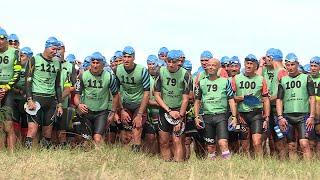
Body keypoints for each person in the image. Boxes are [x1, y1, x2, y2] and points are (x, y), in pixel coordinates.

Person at [194, 58, 237, 160]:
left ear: (218, 67)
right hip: (207, 116)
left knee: (223, 143)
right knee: (210, 146)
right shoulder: (201, 83)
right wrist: (196, 117)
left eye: (213, 65)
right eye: (209, 65)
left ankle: (228, 167)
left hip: (221, 115)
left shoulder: (225, 81)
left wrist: (234, 117)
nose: (211, 67)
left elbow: (231, 100)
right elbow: (197, 101)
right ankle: (211, 168)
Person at [24, 37, 63, 149]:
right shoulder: (34, 59)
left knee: (48, 132)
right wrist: (29, 99)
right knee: (33, 129)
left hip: (50, 100)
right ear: (46, 47)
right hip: (36, 97)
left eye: (57, 49)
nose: (55, 52)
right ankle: (27, 154)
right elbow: (28, 81)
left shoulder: (57, 63)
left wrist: (59, 104)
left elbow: (57, 85)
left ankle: (45, 157)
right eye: (53, 48)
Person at [276, 53, 315, 160]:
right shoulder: (283, 80)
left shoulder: (307, 78)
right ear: (285, 66)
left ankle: (308, 170)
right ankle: (294, 171)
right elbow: (279, 99)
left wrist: (311, 116)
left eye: (293, 64)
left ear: (297, 64)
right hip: (288, 116)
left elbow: (312, 97)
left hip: (303, 115)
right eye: (288, 65)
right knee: (291, 146)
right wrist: (280, 117)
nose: (290, 67)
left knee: (304, 143)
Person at [74, 52, 119, 146]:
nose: (95, 65)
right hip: (87, 112)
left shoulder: (109, 77)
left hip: (101, 112)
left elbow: (116, 95)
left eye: (97, 63)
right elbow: (76, 96)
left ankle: (101, 158)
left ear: (102, 64)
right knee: (86, 140)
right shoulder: (82, 76)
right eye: (93, 62)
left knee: (97, 139)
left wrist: (113, 112)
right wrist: (79, 105)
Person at [154, 50, 191, 162]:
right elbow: (156, 95)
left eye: (173, 62)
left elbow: (186, 99)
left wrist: (179, 117)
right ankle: (167, 165)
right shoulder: (160, 71)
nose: (170, 64)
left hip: (179, 110)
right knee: (164, 140)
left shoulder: (185, 74)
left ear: (179, 62)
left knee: (177, 140)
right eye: (168, 61)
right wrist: (169, 111)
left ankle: (178, 166)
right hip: (165, 109)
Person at [232, 54, 270, 157]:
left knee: (257, 142)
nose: (248, 66)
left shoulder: (261, 79)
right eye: (247, 63)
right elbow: (231, 98)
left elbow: (266, 99)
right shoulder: (236, 78)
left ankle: (260, 165)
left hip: (256, 114)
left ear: (256, 66)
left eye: (251, 64)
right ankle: (247, 166)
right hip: (242, 115)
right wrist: (244, 98)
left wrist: (266, 117)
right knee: (244, 144)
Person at [115, 46, 150, 151]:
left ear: (134, 58)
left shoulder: (142, 70)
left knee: (137, 130)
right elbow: (116, 92)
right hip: (125, 104)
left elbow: (147, 93)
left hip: (139, 104)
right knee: (125, 134)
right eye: (124, 57)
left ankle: (136, 155)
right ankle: (126, 157)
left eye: (129, 57)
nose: (126, 59)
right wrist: (121, 110)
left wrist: (140, 114)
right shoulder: (117, 69)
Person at [257, 48, 287, 159]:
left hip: (277, 109)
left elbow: (284, 93)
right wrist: (260, 65)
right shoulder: (265, 69)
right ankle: (265, 162)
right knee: (264, 136)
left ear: (271, 58)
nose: (265, 59)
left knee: (279, 137)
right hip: (266, 108)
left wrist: (269, 99)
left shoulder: (282, 71)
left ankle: (283, 161)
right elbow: (256, 80)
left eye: (266, 57)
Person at [0, 28, 21, 150]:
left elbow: (17, 73)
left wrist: (6, 88)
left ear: (6, 40)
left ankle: (12, 153)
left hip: (8, 90)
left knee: (9, 124)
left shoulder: (15, 52)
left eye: (1, 39)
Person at [12, 47, 33, 142]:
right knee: (15, 123)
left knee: (26, 123)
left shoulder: (32, 69)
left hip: (27, 99)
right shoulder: (15, 66)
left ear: (28, 57)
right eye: (19, 56)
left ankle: (24, 145)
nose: (20, 58)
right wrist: (18, 91)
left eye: (22, 56)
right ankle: (16, 145)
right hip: (15, 98)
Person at [143, 55, 160, 154]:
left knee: (162, 138)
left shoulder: (161, 76)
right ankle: (148, 158)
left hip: (160, 112)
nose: (152, 66)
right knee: (149, 137)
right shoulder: (145, 76)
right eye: (149, 64)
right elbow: (143, 97)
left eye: (154, 64)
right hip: (148, 112)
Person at [309, 56, 320, 157]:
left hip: (319, 112)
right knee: (311, 142)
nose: (313, 68)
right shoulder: (306, 78)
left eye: (315, 66)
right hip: (308, 112)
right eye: (311, 66)